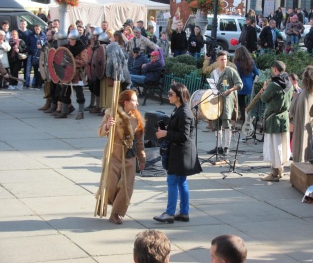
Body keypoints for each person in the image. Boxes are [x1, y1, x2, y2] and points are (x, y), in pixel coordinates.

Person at [153, 83, 202, 223]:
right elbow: (180, 130)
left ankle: (169, 213)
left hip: (181, 153)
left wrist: (166, 133)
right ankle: (184, 212)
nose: (168, 96)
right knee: (181, 181)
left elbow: (183, 136)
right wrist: (169, 128)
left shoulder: (185, 112)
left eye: (171, 94)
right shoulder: (179, 109)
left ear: (179, 96)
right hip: (181, 152)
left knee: (173, 181)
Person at [97, 90, 146, 224]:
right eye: (135, 100)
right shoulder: (111, 113)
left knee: (127, 188)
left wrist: (142, 159)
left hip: (129, 156)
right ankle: (107, 202)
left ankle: (115, 213)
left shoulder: (137, 119)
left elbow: (140, 142)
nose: (137, 103)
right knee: (111, 185)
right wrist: (107, 126)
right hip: (113, 154)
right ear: (126, 102)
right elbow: (100, 132)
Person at [260, 61, 293, 181]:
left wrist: (264, 89)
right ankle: (281, 170)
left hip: (273, 118)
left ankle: (275, 173)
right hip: (284, 117)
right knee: (282, 145)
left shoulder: (274, 85)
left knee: (274, 146)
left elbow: (264, 98)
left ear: (275, 69)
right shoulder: (289, 83)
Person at [207, 51, 243, 156]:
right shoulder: (213, 73)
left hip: (227, 101)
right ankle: (218, 147)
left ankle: (226, 147)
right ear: (217, 60)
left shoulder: (231, 71)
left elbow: (239, 84)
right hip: (217, 101)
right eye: (222, 59)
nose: (224, 61)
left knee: (226, 124)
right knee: (216, 123)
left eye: (226, 59)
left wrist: (230, 90)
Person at [289, 66, 313, 163]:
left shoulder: (302, 94)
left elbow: (291, 111)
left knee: (301, 144)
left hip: (300, 126)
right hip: (311, 126)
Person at [54, 29, 87, 120]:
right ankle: (64, 112)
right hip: (67, 74)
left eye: (71, 39)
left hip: (77, 74)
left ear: (76, 40)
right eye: (69, 39)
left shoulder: (82, 48)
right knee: (64, 93)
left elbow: (84, 61)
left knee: (79, 94)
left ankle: (81, 112)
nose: (70, 41)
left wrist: (72, 62)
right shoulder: (67, 48)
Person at [233, 46, 259, 121]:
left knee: (240, 102)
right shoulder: (251, 61)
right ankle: (244, 116)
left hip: (240, 84)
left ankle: (244, 117)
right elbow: (257, 73)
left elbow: (235, 74)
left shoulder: (237, 63)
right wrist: (251, 79)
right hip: (249, 84)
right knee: (244, 101)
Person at [26, 24, 47, 89]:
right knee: (30, 70)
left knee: (39, 70)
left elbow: (46, 45)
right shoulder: (30, 35)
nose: (37, 29)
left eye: (38, 28)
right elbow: (27, 45)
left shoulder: (44, 36)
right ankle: (29, 83)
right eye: (36, 28)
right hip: (32, 55)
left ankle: (37, 84)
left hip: (40, 55)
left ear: (40, 28)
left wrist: (42, 47)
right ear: (34, 28)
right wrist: (31, 50)